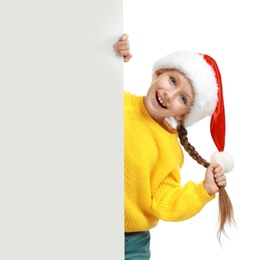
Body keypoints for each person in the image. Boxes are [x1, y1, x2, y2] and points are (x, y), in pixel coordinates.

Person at [114, 34, 235, 260]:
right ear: (158, 73)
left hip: (130, 245)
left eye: (183, 99)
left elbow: (165, 203)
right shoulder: (115, 100)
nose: (170, 95)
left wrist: (204, 190)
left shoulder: (170, 150)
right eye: (172, 80)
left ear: (183, 114)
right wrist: (109, 58)